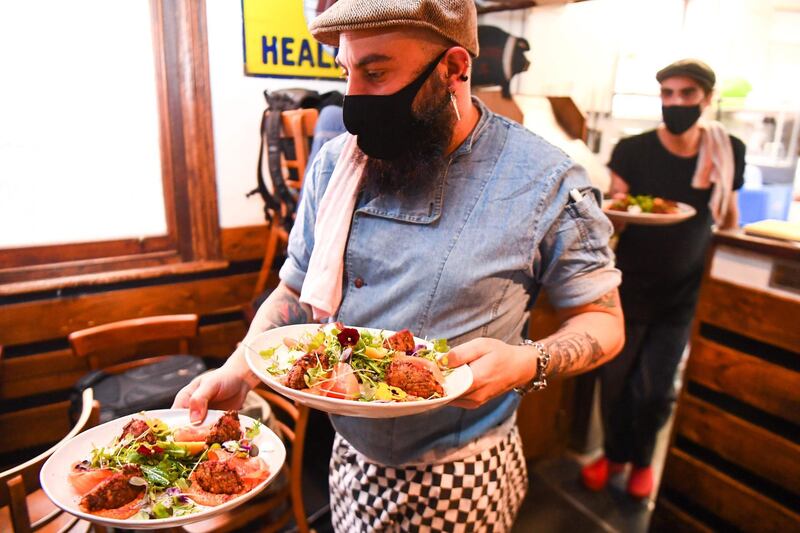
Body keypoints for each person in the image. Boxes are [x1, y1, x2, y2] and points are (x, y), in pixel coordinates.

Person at [175, 1, 625, 530]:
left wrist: (528, 362)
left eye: (376, 72)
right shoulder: (337, 163)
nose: (354, 99)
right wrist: (239, 368)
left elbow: (604, 321)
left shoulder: (544, 181)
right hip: (351, 457)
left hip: (461, 472)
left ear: (454, 68)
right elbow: (296, 290)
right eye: (347, 72)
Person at [581, 59, 746, 500]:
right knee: (615, 385)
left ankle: (641, 462)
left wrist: (723, 192)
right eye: (667, 94)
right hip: (629, 286)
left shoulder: (727, 148)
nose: (675, 102)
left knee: (655, 390)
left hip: (684, 291)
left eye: (686, 94)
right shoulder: (632, 150)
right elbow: (614, 220)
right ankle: (613, 456)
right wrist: (614, 212)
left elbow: (727, 219)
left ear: (706, 99)